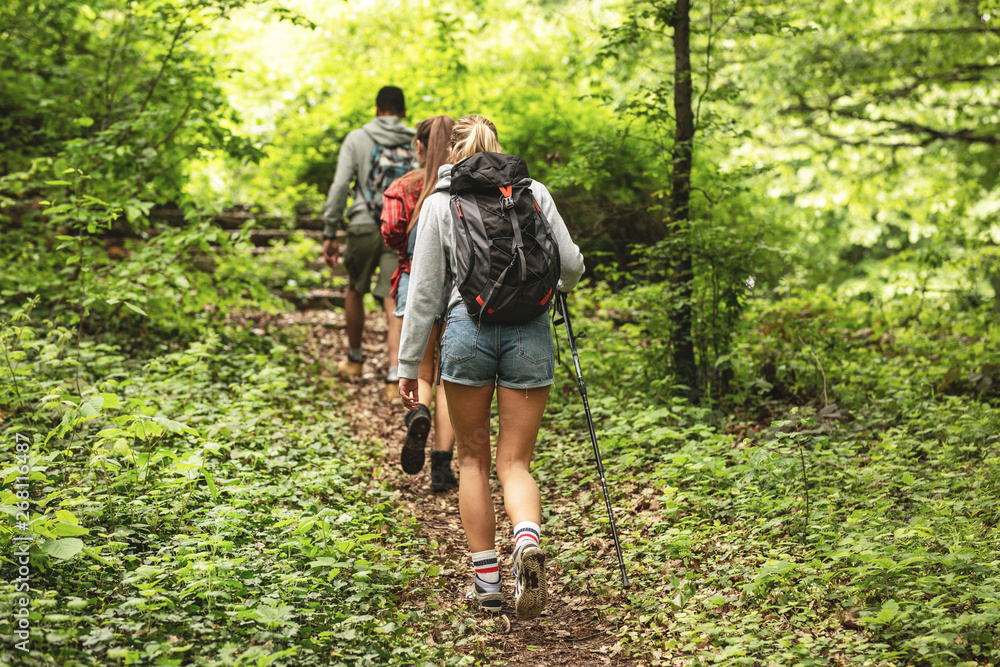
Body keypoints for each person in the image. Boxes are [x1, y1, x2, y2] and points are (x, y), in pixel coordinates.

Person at [396, 115, 585, 620]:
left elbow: (424, 294)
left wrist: (408, 364)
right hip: (530, 333)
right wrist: (553, 290)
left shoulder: (439, 203)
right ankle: (526, 541)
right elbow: (570, 266)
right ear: (497, 145)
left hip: (466, 334)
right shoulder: (534, 192)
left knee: (473, 461)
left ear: (451, 152)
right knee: (515, 463)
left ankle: (487, 584)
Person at [321, 85, 414, 404]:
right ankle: (393, 377)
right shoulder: (416, 139)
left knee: (355, 288)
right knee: (394, 297)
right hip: (399, 225)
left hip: (362, 222)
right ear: (403, 112)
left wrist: (330, 230)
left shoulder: (357, 138)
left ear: (377, 109)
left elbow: (339, 185)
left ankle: (355, 359)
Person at [380, 115, 458, 491]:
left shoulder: (404, 186)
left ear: (419, 147)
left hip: (416, 282)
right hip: (459, 289)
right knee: (448, 380)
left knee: (422, 372)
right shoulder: (466, 188)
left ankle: (418, 415)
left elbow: (391, 231)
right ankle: (442, 468)